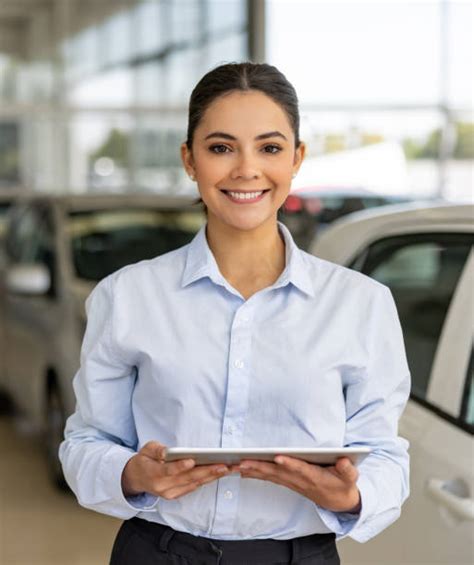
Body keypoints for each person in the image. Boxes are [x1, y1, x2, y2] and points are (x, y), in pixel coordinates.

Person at [59, 62, 410, 565]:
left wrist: (352, 496)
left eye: (269, 148)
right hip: (158, 552)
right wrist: (133, 474)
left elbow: (386, 455)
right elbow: (86, 442)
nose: (246, 169)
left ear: (296, 159)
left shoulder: (361, 304)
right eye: (221, 147)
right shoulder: (126, 296)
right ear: (189, 159)